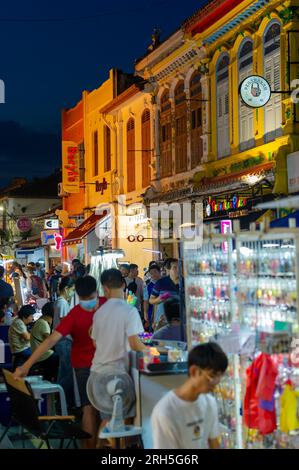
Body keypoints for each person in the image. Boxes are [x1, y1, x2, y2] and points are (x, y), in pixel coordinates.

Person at [13, 275, 106, 449]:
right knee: (100, 411)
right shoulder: (105, 304)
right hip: (96, 365)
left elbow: (51, 341)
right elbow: (50, 340)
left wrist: (26, 366)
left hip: (89, 365)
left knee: (89, 409)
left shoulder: (77, 312)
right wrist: (26, 365)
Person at [151, 342, 228, 449]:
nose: (216, 382)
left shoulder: (210, 403)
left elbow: (213, 442)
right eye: (212, 375)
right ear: (194, 371)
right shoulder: (165, 412)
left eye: (220, 376)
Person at [91, 268, 147, 375]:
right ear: (123, 285)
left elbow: (95, 342)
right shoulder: (130, 311)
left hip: (96, 372)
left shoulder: (99, 312)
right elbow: (135, 344)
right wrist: (151, 352)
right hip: (116, 374)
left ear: (105, 288)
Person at [53, 276, 76, 406]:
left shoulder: (60, 301)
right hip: (64, 342)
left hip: (61, 342)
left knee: (63, 372)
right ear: (66, 289)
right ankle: (60, 398)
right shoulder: (62, 303)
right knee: (69, 374)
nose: (73, 293)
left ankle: (59, 400)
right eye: (72, 289)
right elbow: (64, 324)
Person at [30, 302, 59, 382]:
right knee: (61, 359)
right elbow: (51, 340)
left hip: (39, 354)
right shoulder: (43, 323)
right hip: (43, 356)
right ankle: (56, 383)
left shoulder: (41, 321)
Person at [149, 258, 182, 329]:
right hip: (162, 321)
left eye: (180, 267)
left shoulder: (185, 283)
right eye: (175, 267)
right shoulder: (161, 283)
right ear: (168, 269)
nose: (178, 269)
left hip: (180, 322)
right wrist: (159, 299)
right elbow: (151, 301)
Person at [8, 305, 35, 370]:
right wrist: (35, 332)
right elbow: (28, 337)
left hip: (23, 348)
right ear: (24, 317)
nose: (32, 318)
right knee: (41, 354)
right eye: (31, 316)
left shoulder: (19, 321)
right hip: (21, 350)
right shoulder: (18, 323)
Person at [143, 264, 161, 329]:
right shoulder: (148, 287)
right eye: (151, 273)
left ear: (159, 272)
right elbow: (146, 301)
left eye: (155, 272)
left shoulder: (165, 283)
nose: (153, 274)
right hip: (152, 313)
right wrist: (145, 312)